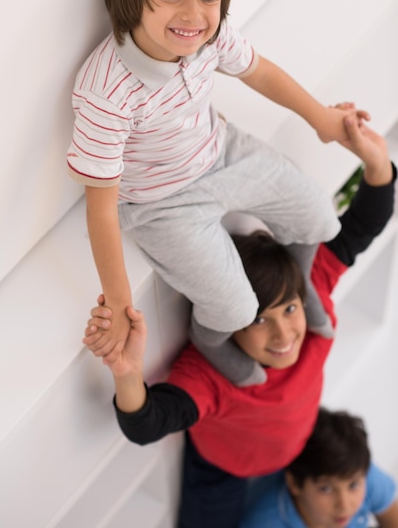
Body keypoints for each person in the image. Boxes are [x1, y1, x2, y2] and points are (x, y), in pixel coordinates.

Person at [68, 0, 370, 385]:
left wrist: (322, 119)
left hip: (222, 152)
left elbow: (260, 72)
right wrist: (121, 303)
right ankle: (211, 342)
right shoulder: (106, 91)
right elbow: (101, 210)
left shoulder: (209, 38)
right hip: (162, 204)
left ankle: (300, 284)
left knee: (319, 215)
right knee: (235, 308)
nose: (193, 15)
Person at [83, 115, 396, 528]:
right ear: (230, 327)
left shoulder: (308, 289)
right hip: (222, 466)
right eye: (258, 321)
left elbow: (361, 226)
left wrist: (378, 164)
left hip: (296, 434)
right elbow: (146, 425)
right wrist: (127, 373)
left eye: (289, 310)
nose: (285, 333)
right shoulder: (210, 375)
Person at [240, 407, 398, 528]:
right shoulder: (263, 522)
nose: (344, 505)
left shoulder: (355, 470)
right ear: (294, 483)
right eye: (326, 489)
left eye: (353, 486)